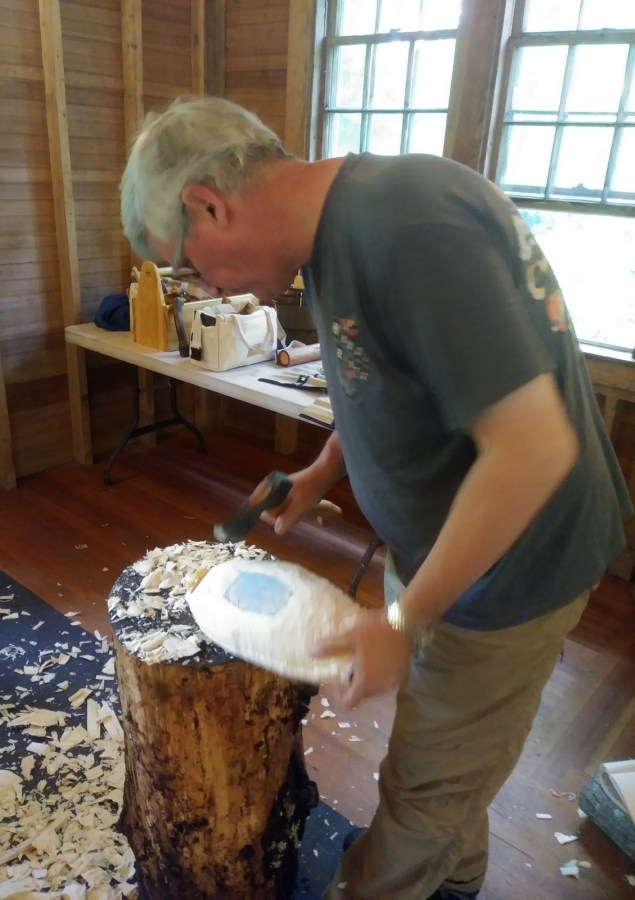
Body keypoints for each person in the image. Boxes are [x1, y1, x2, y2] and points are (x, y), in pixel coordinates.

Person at [120, 96, 632, 900]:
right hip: (444, 549)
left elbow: (532, 449)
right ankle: (454, 877)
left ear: (207, 205)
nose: (203, 284)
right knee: (445, 751)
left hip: (514, 566)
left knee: (424, 787)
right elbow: (375, 380)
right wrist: (323, 470)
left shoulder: (405, 226)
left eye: (188, 263)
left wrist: (402, 620)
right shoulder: (329, 240)